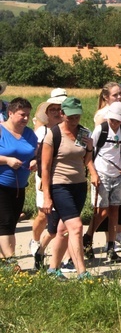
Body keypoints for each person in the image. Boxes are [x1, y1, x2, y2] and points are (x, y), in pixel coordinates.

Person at [41, 97, 97, 280]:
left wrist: (92, 166)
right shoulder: (53, 135)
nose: (74, 120)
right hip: (59, 185)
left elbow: (86, 158)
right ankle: (82, 272)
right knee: (77, 227)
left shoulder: (83, 133)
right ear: (62, 114)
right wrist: (47, 197)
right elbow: (45, 167)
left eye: (77, 116)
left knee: (63, 230)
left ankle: (52, 269)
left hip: (79, 185)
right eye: (70, 117)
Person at [82, 102, 121, 263]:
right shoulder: (101, 129)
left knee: (114, 211)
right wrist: (93, 173)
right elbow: (89, 152)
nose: (115, 123)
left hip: (117, 175)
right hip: (101, 173)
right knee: (101, 211)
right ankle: (88, 237)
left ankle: (110, 247)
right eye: (112, 120)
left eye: (117, 120)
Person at [29, 88, 67, 269]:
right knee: (44, 215)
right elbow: (35, 155)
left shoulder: (70, 130)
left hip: (63, 179)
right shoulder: (41, 132)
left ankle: (64, 257)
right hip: (44, 178)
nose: (57, 112)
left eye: (60, 108)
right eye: (53, 109)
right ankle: (35, 240)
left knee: (64, 221)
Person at [0, 98, 38, 267]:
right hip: (1, 184)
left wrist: (35, 161)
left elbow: (35, 153)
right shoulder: (1, 131)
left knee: (11, 223)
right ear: (10, 113)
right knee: (6, 222)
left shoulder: (29, 134)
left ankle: (4, 261)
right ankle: (11, 263)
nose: (25, 118)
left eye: (28, 115)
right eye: (22, 114)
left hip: (19, 186)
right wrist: (6, 160)